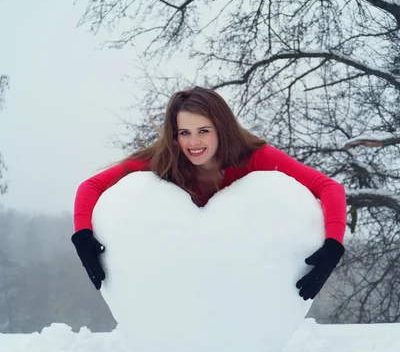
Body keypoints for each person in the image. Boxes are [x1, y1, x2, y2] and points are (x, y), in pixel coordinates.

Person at [71, 86, 347, 301]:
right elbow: (91, 186)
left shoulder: (255, 157)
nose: (193, 142)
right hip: (178, 275)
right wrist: (83, 236)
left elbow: (328, 187)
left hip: (243, 272)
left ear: (221, 129)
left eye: (204, 131)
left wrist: (333, 246)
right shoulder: (163, 160)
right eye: (184, 132)